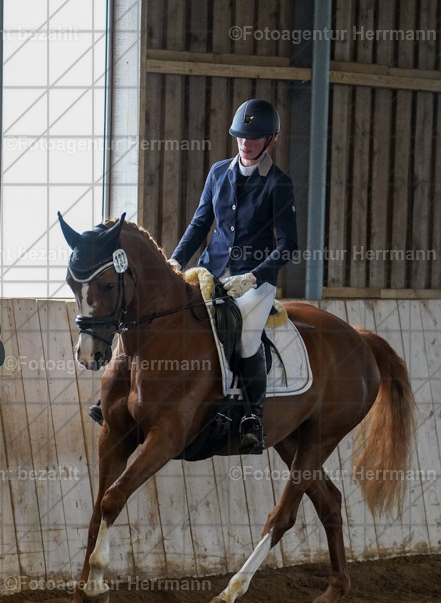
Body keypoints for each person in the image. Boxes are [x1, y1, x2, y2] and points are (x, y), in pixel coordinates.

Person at [89, 99, 299, 454]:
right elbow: (201, 223)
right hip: (210, 273)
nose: (246, 144)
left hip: (253, 283)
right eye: (241, 137)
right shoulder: (219, 172)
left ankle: (252, 418)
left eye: (255, 138)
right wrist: (175, 260)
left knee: (246, 337)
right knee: (164, 319)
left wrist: (255, 275)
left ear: (271, 140)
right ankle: (118, 395)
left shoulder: (279, 184)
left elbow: (288, 245)